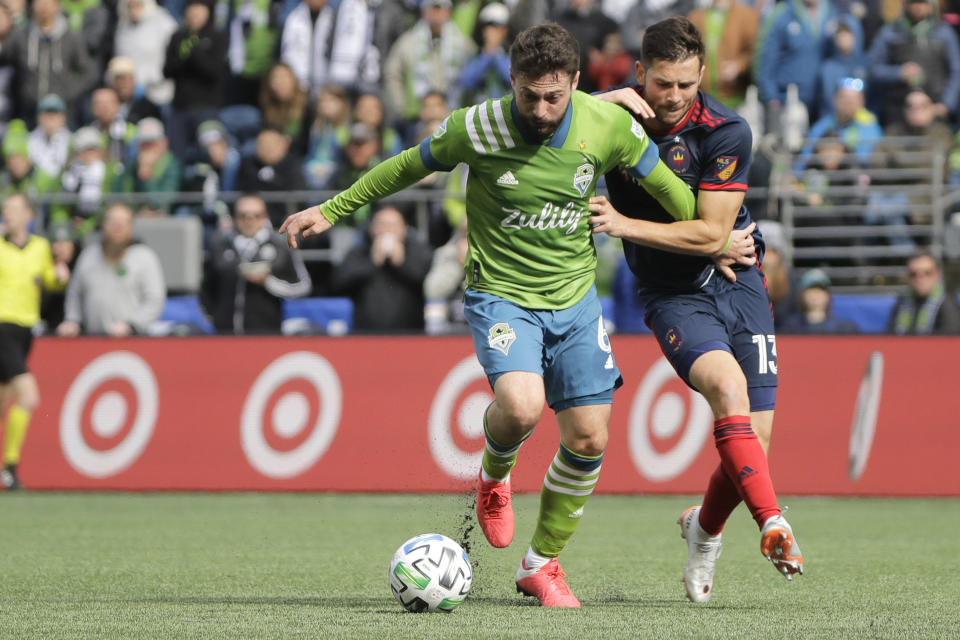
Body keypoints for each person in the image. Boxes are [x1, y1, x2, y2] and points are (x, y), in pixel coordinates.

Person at [279, 22, 696, 607]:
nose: (543, 109)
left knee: (590, 436)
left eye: (555, 96)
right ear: (512, 82)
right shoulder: (477, 126)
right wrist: (335, 207)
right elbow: (406, 165)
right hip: (501, 294)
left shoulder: (608, 126)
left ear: (577, 84)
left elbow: (677, 196)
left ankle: (542, 565)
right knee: (523, 407)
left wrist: (713, 237)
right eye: (531, 95)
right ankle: (494, 478)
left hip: (575, 301)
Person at [590, 16, 804, 603]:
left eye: (687, 84)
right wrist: (603, 99)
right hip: (672, 294)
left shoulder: (728, 130)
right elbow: (549, 115)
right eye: (663, 84)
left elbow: (714, 236)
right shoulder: (612, 120)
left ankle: (702, 529)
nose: (676, 97)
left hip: (739, 281)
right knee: (728, 392)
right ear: (640, 75)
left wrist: (621, 224)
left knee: (754, 443)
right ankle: (773, 522)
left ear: (703, 75)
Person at [0, 194, 70, 489]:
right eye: (6, 210)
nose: (9, 215)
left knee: (3, 401)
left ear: (28, 215)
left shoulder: (40, 247)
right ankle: (11, 467)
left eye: (15, 210)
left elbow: (47, 281)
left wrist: (60, 275)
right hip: (2, 325)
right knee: (28, 397)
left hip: (25, 328)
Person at [201, 194, 312, 334]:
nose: (249, 220)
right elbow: (206, 288)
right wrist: (214, 318)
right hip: (225, 335)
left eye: (256, 215)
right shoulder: (220, 245)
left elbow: (303, 286)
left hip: (265, 335)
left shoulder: (280, 246)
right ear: (234, 217)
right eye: (243, 215)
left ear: (265, 217)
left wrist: (268, 282)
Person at [56, 202, 166, 337]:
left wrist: (132, 325)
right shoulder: (89, 255)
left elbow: (154, 299)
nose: (117, 227)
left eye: (123, 222)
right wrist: (72, 320)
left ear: (131, 227)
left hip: (133, 341)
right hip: (92, 339)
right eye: (113, 221)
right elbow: (75, 293)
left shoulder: (144, 257)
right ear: (103, 224)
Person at [329, 206, 433, 332]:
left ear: (404, 229)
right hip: (367, 336)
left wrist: (402, 263)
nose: (387, 230)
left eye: (393, 225)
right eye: (382, 225)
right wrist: (372, 263)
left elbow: (429, 285)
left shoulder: (418, 250)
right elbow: (337, 285)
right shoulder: (359, 252)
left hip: (411, 334)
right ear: (372, 228)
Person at [886, 250, 960, 334]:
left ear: (938, 274)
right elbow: (890, 334)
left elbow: (949, 339)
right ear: (907, 276)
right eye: (913, 274)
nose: (920, 278)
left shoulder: (947, 302)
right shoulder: (902, 301)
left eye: (927, 273)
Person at [780, 268, 859, 333]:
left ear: (828, 296)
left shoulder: (844, 329)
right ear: (802, 295)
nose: (815, 294)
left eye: (820, 290)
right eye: (811, 290)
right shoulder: (790, 327)